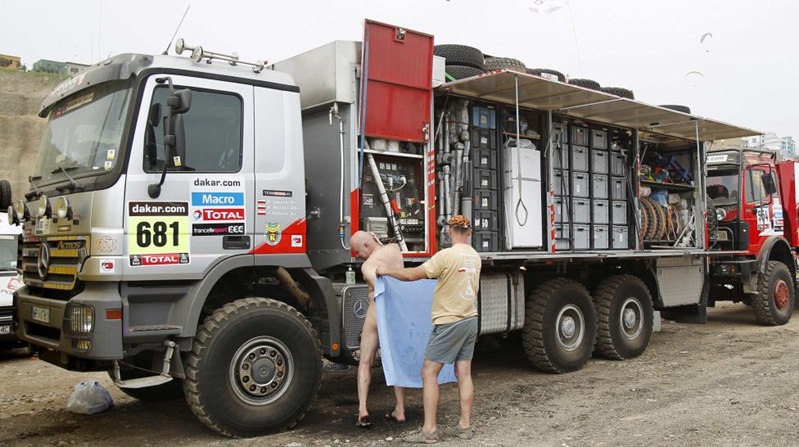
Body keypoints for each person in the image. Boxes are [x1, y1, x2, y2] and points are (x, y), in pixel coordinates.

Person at [376, 215, 481, 444]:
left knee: (428, 372)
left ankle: (429, 431)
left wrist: (387, 271)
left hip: (449, 321)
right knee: (463, 373)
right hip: (470, 319)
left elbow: (412, 275)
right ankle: (465, 426)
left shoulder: (445, 256)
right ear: (469, 232)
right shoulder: (475, 257)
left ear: (449, 231)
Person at [350, 230, 407, 428]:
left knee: (365, 361)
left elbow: (380, 288)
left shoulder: (368, 266)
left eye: (358, 251)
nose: (357, 256)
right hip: (395, 314)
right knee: (395, 361)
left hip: (376, 314)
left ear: (366, 245)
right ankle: (400, 409)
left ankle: (363, 409)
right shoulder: (394, 249)